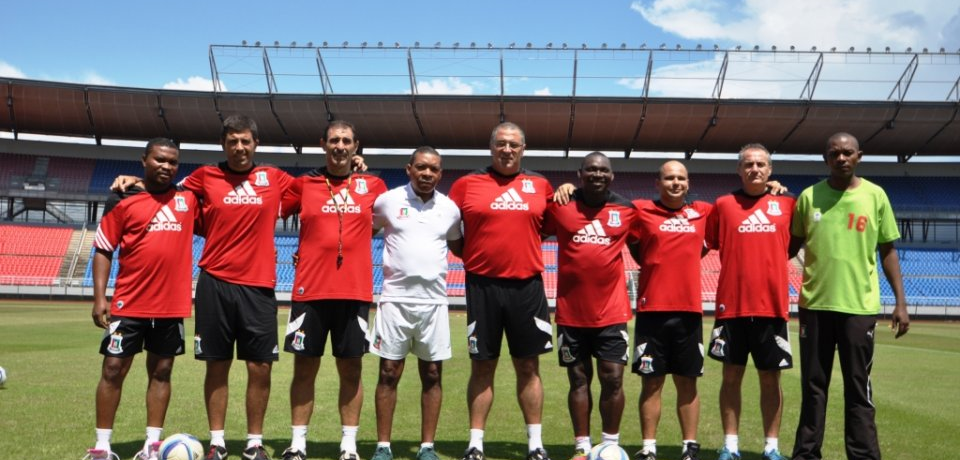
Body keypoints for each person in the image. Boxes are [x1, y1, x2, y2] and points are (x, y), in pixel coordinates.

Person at [789, 132, 909, 460]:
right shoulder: (808, 197)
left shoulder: (876, 196)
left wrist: (900, 302)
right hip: (814, 305)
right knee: (814, 387)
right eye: (834, 153)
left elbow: (888, 250)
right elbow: (787, 248)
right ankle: (806, 455)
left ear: (859, 156)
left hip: (859, 307)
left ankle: (864, 456)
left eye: (847, 153)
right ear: (825, 158)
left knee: (858, 388)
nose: (841, 158)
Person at [278, 120, 388, 460]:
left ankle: (349, 445)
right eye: (334, 140)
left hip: (354, 293)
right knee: (304, 368)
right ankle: (298, 444)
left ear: (356, 146)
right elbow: (264, 207)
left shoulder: (374, 185)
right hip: (309, 292)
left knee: (351, 370)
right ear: (322, 144)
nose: (340, 146)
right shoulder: (304, 184)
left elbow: (386, 223)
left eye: (346, 141)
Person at [448, 122, 555, 460]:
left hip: (527, 286)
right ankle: (475, 443)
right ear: (491, 147)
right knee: (482, 366)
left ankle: (535, 444)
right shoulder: (466, 185)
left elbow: (550, 227)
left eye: (514, 145)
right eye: (501, 144)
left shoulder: (540, 186)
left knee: (528, 367)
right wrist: (478, 258)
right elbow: (452, 231)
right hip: (482, 287)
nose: (507, 150)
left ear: (523, 149)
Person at [87, 138, 199, 460]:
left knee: (162, 371)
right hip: (128, 303)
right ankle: (102, 446)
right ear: (144, 160)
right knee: (112, 368)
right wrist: (99, 298)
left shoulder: (188, 200)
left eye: (172, 162)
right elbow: (104, 249)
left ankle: (152, 445)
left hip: (170, 305)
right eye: (160, 160)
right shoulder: (119, 200)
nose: (166, 166)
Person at [367, 147, 463, 460]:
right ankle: (383, 446)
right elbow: (363, 232)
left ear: (440, 173)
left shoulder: (450, 209)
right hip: (395, 300)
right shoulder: (387, 201)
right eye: (421, 167)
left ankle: (427, 448)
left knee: (433, 374)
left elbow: (459, 245)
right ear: (409, 169)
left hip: (434, 303)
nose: (427, 174)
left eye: (433, 169)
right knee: (388, 373)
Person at [541, 152, 637, 460]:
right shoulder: (561, 205)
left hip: (612, 312)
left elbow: (646, 245)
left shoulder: (625, 209)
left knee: (613, 378)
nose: (597, 174)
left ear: (612, 176)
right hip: (571, 313)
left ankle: (610, 443)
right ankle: (582, 445)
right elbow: (532, 225)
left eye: (603, 170)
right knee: (578, 380)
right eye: (591, 169)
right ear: (579, 173)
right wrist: (559, 189)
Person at [704, 144, 795, 460]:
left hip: (771, 308)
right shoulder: (723, 205)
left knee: (771, 380)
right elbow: (708, 243)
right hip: (732, 307)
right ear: (739, 170)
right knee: (730, 378)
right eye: (748, 164)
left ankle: (771, 448)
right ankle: (730, 446)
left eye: (760, 164)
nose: (754, 169)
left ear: (770, 170)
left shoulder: (787, 204)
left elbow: (793, 244)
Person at [628, 160, 712, 460]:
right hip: (652, 311)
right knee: (651, 382)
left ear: (688, 183)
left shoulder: (703, 211)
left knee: (687, 381)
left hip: (689, 312)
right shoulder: (639, 210)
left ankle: (689, 446)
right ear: (657, 183)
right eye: (669, 178)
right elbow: (635, 247)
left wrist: (772, 188)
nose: (675, 183)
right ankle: (648, 447)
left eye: (681, 178)